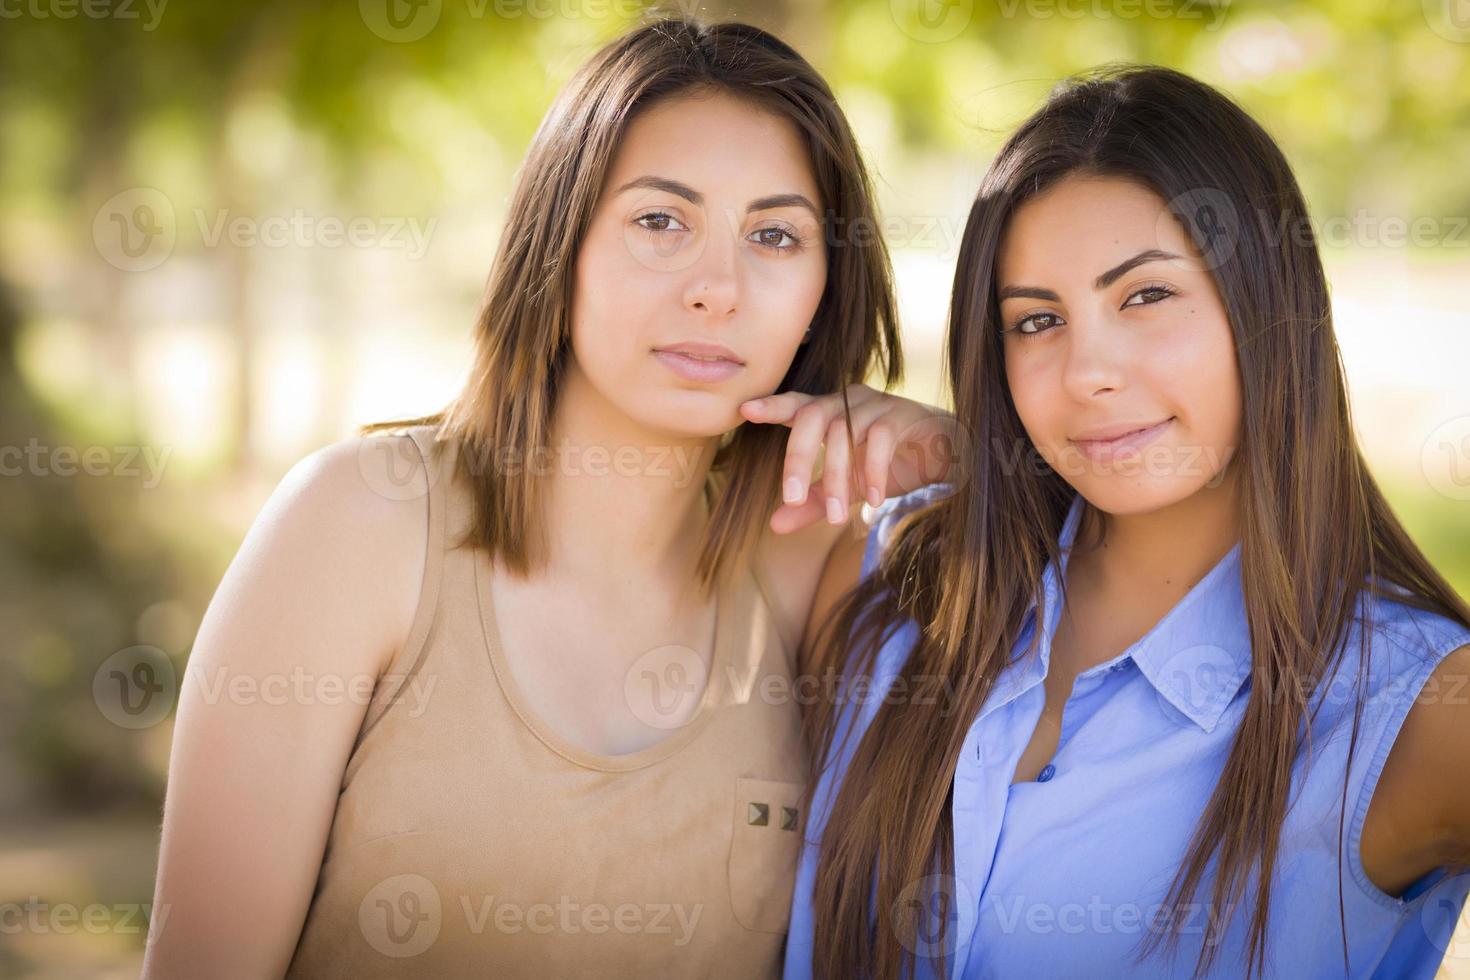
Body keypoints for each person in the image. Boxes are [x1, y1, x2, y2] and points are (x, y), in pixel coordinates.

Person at [142, 17, 956, 979]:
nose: (717, 288)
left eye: (775, 235)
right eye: (661, 221)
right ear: (559, 239)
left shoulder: (809, 554)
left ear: (825, 284)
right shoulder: (359, 525)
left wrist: (964, 457)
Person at [786, 64, 1470, 980]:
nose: (1086, 374)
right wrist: (977, 467)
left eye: (1145, 297)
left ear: (1268, 307)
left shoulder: (1411, 708)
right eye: (1036, 322)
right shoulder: (889, 579)